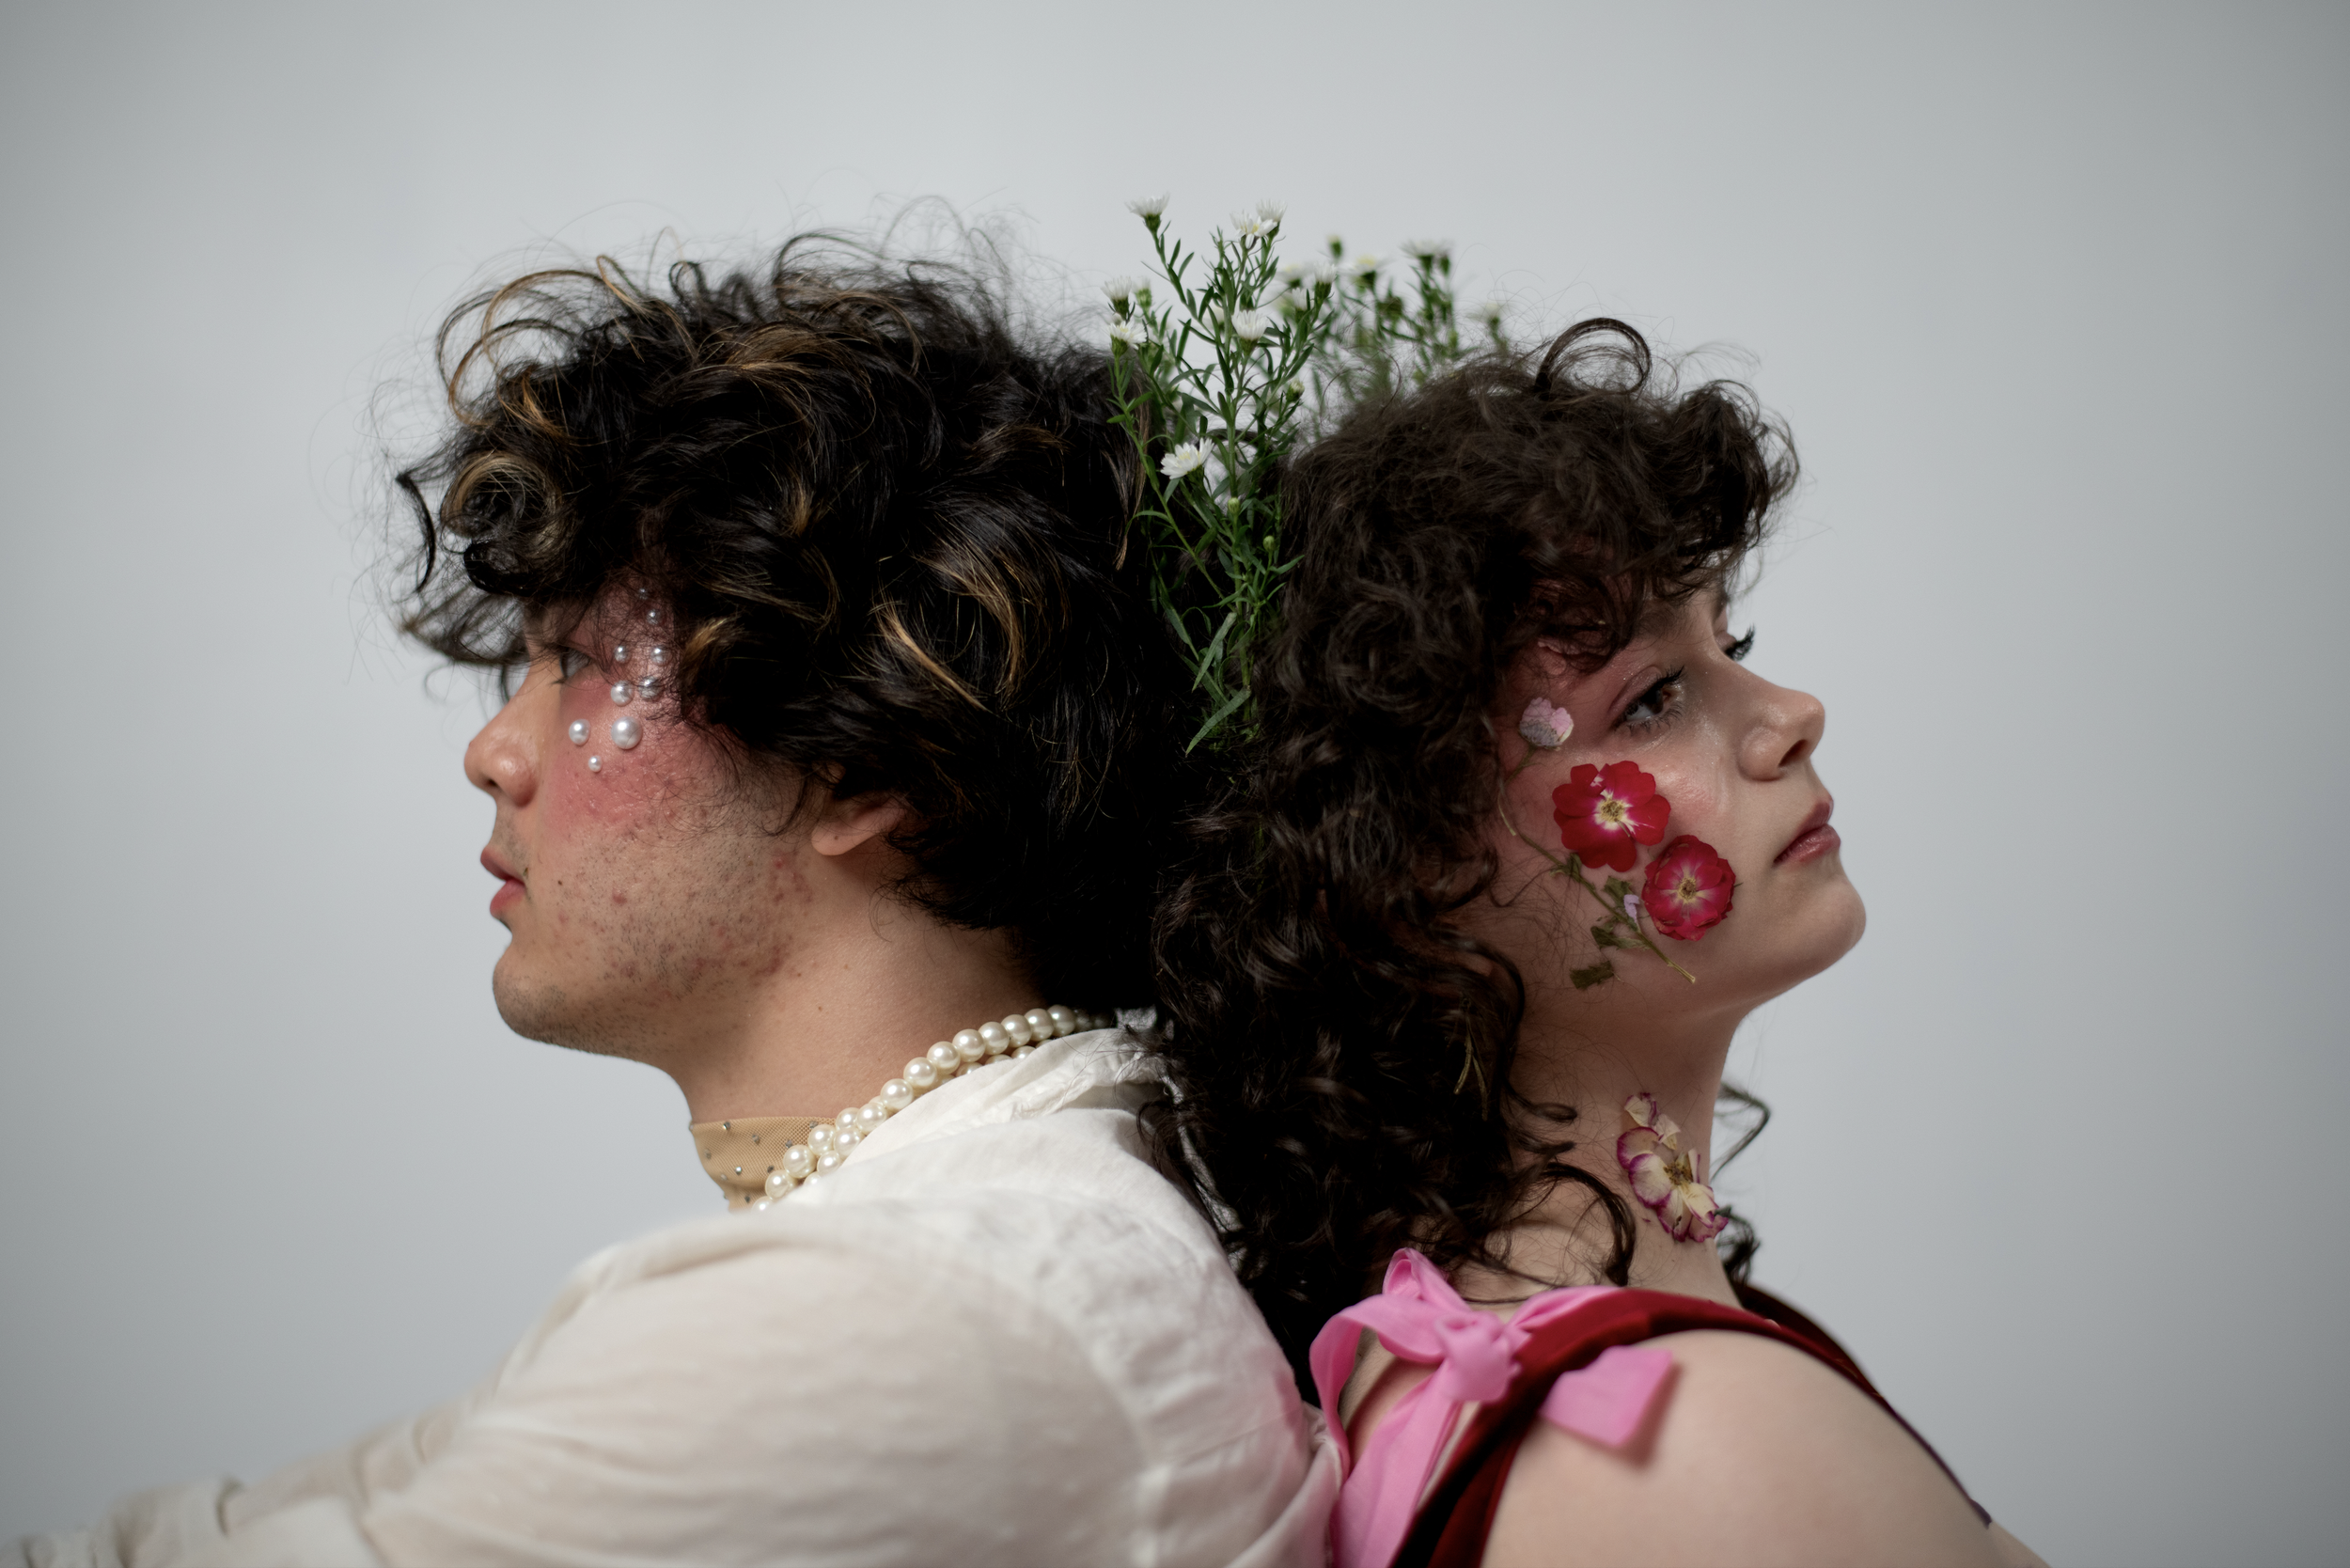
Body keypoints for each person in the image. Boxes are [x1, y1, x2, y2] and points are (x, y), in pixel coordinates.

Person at [13, 242, 1328, 1567]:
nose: (493, 753)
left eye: (580, 661)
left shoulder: (916, 1315)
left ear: (869, 764)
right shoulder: (986, 1229)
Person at [1150, 320, 2045, 1566]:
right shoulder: (1695, 1450)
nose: (1792, 715)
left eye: (1731, 646)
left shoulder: (1469, 1359)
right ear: (1401, 865)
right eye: (1653, 698)